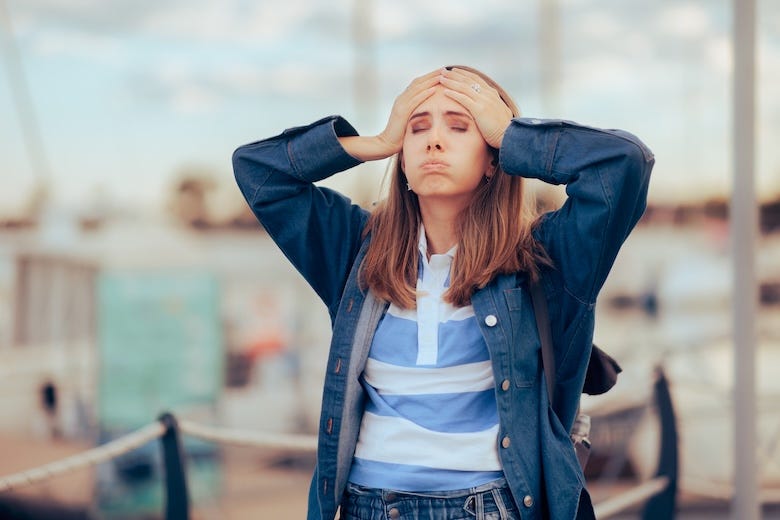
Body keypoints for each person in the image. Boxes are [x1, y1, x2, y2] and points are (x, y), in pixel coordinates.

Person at [233, 66, 653, 520]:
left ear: (495, 158)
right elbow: (259, 171)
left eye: (459, 126)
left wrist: (513, 136)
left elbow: (624, 164)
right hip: (368, 507)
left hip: (489, 508)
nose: (434, 141)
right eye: (416, 129)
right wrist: (374, 143)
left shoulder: (547, 259)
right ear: (402, 158)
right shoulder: (354, 251)